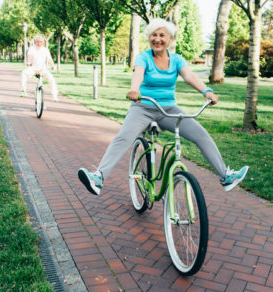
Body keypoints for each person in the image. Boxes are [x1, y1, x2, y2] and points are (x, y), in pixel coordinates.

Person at [78, 18, 249, 196]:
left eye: (162, 35)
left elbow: (189, 76)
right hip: (142, 108)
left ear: (170, 39)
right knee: (123, 138)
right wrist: (134, 89)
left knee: (200, 134)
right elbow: (138, 74)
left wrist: (206, 91)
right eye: (153, 35)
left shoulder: (176, 60)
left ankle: (226, 176)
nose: (157, 39)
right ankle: (98, 177)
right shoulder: (143, 57)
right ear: (149, 38)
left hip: (169, 111)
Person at [21, 36, 58, 101]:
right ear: (35, 42)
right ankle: (23, 90)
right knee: (24, 73)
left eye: (41, 41)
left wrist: (53, 66)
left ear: (43, 42)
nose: (39, 43)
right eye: (38, 41)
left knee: (51, 79)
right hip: (33, 69)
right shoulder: (31, 49)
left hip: (43, 70)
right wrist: (28, 63)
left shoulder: (45, 50)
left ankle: (54, 95)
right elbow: (29, 56)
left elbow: (49, 59)